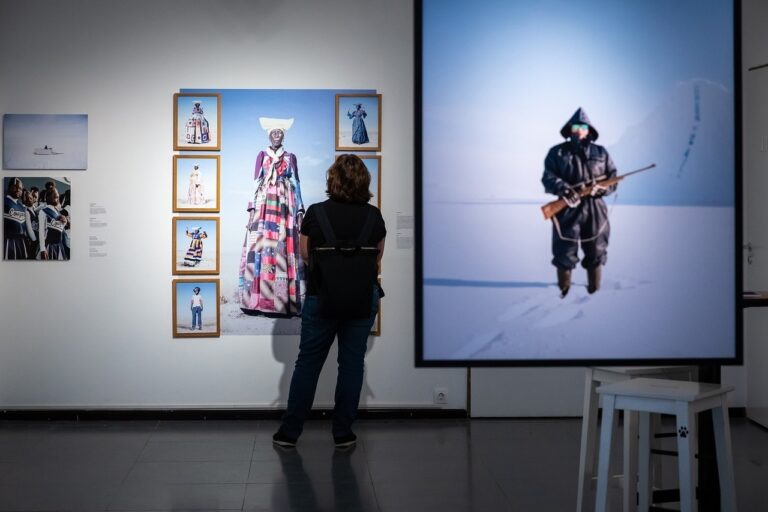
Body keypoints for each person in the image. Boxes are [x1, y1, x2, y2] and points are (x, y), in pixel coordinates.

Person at [273, 154, 385, 448]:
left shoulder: (316, 212)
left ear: (332, 179)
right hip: (362, 298)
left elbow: (305, 255)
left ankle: (289, 433)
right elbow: (377, 259)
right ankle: (343, 433)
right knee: (351, 364)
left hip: (322, 296)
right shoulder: (374, 216)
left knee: (308, 363)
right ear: (364, 181)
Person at [542, 108, 617, 296]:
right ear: (570, 129)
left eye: (583, 127)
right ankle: (562, 293)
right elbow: (548, 177)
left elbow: (613, 178)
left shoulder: (601, 152)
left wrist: (602, 189)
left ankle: (595, 293)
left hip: (595, 208)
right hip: (568, 207)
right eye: (575, 127)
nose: (579, 130)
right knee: (564, 251)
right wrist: (564, 189)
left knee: (596, 250)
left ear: (589, 129)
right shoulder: (557, 152)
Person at [238, 117, 305, 316]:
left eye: (280, 133)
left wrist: (300, 210)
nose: (277, 135)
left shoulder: (290, 157)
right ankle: (255, 301)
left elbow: (297, 183)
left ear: (283, 136)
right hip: (263, 205)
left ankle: (281, 302)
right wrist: (251, 210)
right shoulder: (262, 156)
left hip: (284, 205)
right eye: (274, 133)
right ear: (269, 135)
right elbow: (255, 182)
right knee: (260, 246)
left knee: (282, 247)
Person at [37, 185, 69, 260]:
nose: (57, 197)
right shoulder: (43, 211)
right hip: (49, 246)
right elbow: (41, 231)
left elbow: (59, 228)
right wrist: (42, 249)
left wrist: (65, 222)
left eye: (58, 196)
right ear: (48, 197)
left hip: (59, 246)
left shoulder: (58, 211)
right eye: (55, 196)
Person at [4, 177, 31, 259]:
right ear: (10, 187)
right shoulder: (4, 201)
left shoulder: (21, 206)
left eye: (20, 189)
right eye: (16, 187)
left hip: (21, 241)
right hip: (8, 241)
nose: (19, 190)